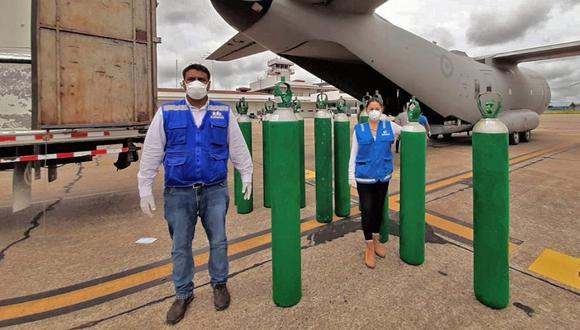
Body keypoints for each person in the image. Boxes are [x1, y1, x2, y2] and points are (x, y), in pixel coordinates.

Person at [138, 64, 253, 324]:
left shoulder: (223, 112)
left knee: (219, 241)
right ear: (183, 83)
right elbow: (153, 151)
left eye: (202, 79)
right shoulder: (168, 112)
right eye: (192, 79)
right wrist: (144, 186)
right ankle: (183, 293)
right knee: (180, 246)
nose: (197, 83)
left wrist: (246, 174)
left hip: (215, 189)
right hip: (179, 192)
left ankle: (220, 284)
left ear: (209, 83)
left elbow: (237, 146)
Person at [348, 97, 402, 269]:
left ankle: (377, 241)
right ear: (366, 110)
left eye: (377, 108)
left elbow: (408, 131)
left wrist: (415, 122)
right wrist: (350, 176)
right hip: (364, 177)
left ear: (382, 109)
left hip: (382, 177)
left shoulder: (390, 127)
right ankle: (369, 246)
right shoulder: (359, 129)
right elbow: (353, 155)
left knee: (379, 210)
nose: (374, 111)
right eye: (371, 108)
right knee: (368, 210)